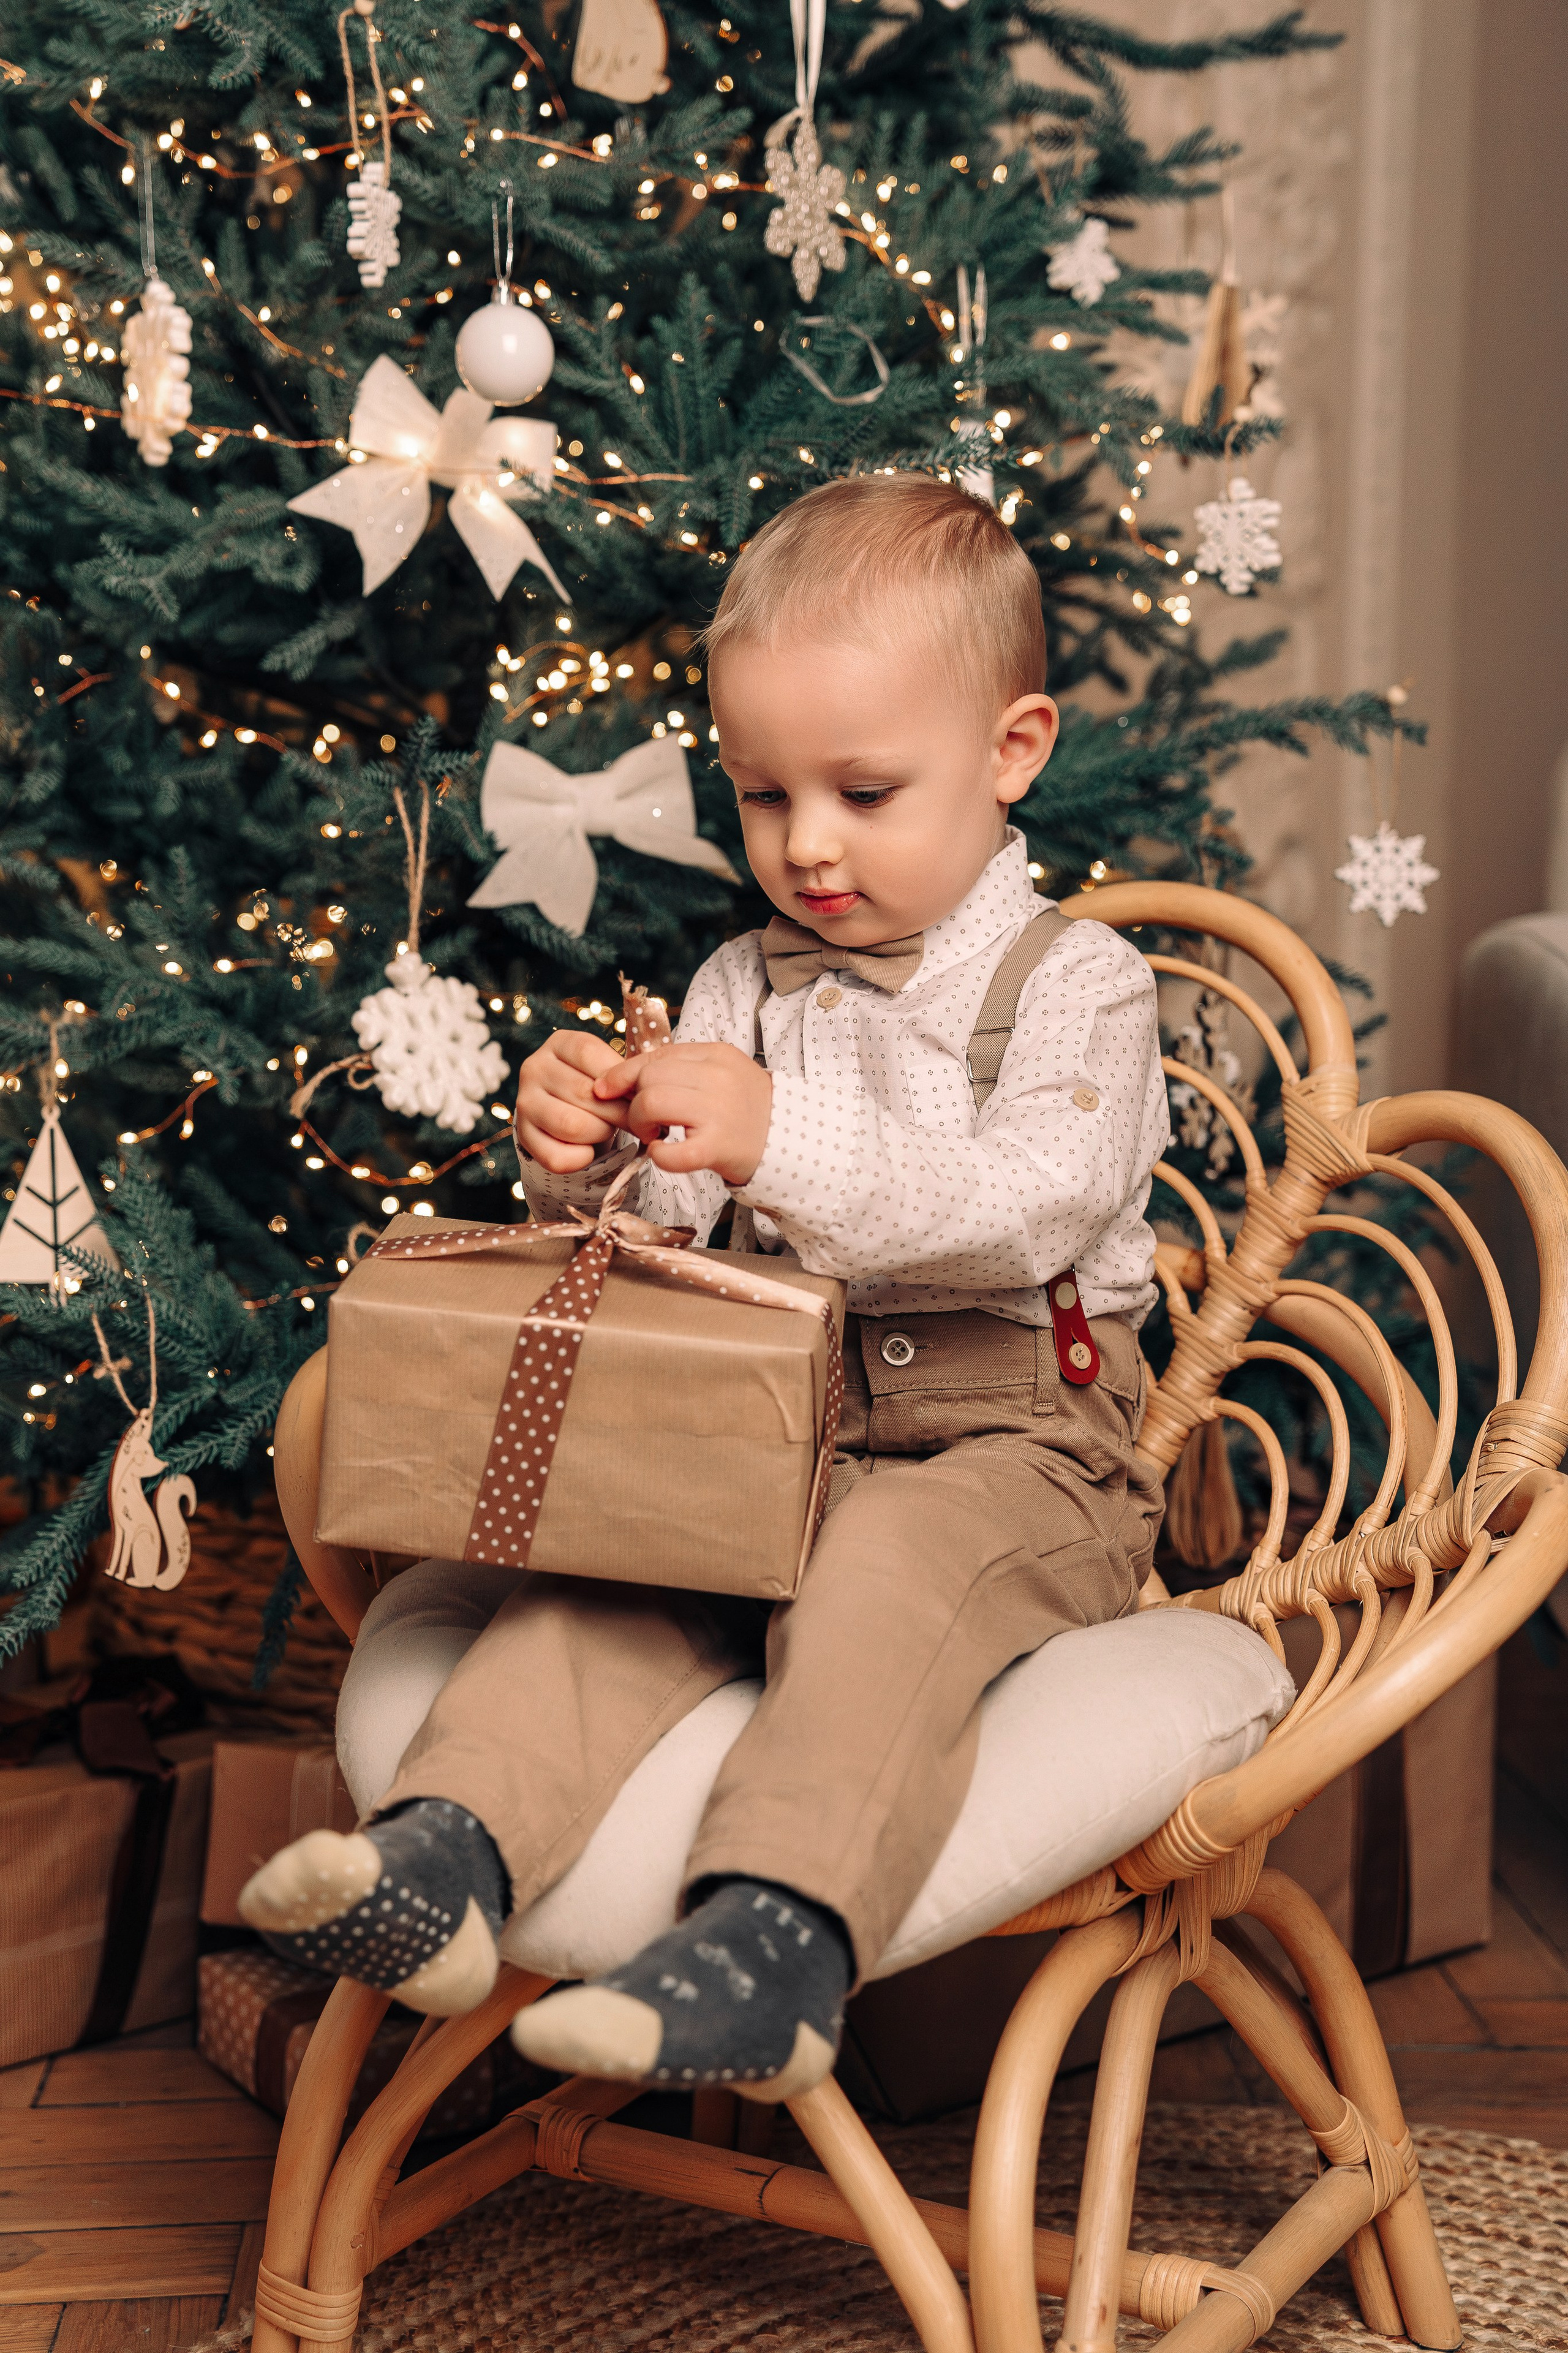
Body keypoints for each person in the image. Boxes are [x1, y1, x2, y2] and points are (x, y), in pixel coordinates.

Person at [240, 474, 1169, 2102]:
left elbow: (1024, 1213)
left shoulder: (1082, 983)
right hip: (774, 1425)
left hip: (1022, 1449)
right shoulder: (738, 980)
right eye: (761, 795)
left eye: (865, 791)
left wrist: (773, 1129)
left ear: (1013, 752)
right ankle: (444, 1861)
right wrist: (589, 1156)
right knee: (607, 1585)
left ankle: (773, 1940)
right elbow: (672, 1235)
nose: (805, 845)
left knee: (880, 1573)